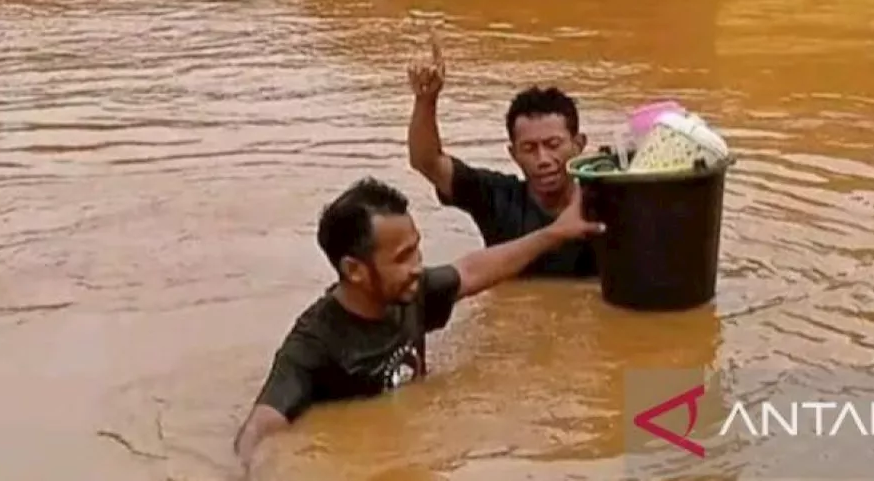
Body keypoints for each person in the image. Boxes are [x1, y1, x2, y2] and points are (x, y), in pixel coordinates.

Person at [232, 176, 604, 474]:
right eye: (402, 256)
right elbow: (260, 429)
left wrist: (555, 233)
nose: (417, 266)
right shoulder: (315, 344)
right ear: (354, 270)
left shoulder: (411, 294)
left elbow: (474, 270)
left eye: (417, 248)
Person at [406, 31, 597, 277]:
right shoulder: (496, 199)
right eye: (529, 149)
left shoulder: (607, 202)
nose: (543, 160)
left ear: (579, 144)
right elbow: (427, 162)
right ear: (513, 153)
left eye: (553, 144)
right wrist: (426, 100)